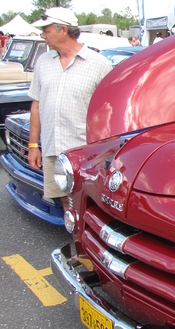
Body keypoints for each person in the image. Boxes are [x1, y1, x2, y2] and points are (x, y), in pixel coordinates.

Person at [28, 7, 112, 211]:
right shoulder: (43, 62)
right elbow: (36, 104)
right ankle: (75, 239)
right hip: (52, 149)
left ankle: (91, 241)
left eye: (46, 30)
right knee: (66, 200)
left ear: (62, 30)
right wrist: (33, 145)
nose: (43, 35)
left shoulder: (99, 64)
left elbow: (108, 112)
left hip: (86, 152)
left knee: (92, 201)